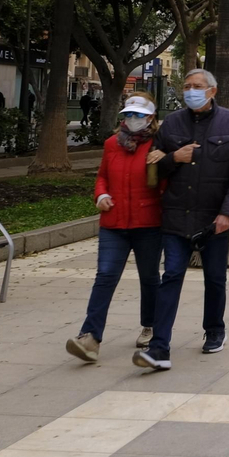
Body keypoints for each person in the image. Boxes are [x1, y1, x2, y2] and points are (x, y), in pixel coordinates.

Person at [133, 69, 229, 371]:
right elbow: (153, 170)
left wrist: (227, 213)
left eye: (197, 86)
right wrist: (175, 158)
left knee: (214, 279)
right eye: (186, 86)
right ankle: (159, 347)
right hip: (176, 217)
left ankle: (214, 330)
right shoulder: (171, 123)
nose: (190, 91)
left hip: (213, 219)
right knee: (171, 276)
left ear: (212, 91)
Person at [66, 95, 164, 363]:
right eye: (128, 115)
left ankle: (150, 325)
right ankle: (90, 337)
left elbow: (167, 183)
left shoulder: (159, 145)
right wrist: (100, 195)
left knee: (149, 277)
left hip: (148, 224)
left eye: (138, 115)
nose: (132, 120)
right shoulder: (112, 144)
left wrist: (165, 161)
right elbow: (102, 177)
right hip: (114, 223)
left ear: (150, 118)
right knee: (105, 276)